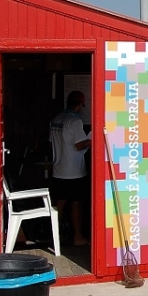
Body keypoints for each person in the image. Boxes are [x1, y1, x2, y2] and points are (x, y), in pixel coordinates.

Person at [49, 90, 91, 246]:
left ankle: (55, 236)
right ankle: (78, 237)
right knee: (76, 204)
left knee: (59, 204)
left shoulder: (56, 119)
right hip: (74, 171)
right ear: (80, 104)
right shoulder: (75, 121)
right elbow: (79, 145)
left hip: (58, 169)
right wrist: (90, 141)